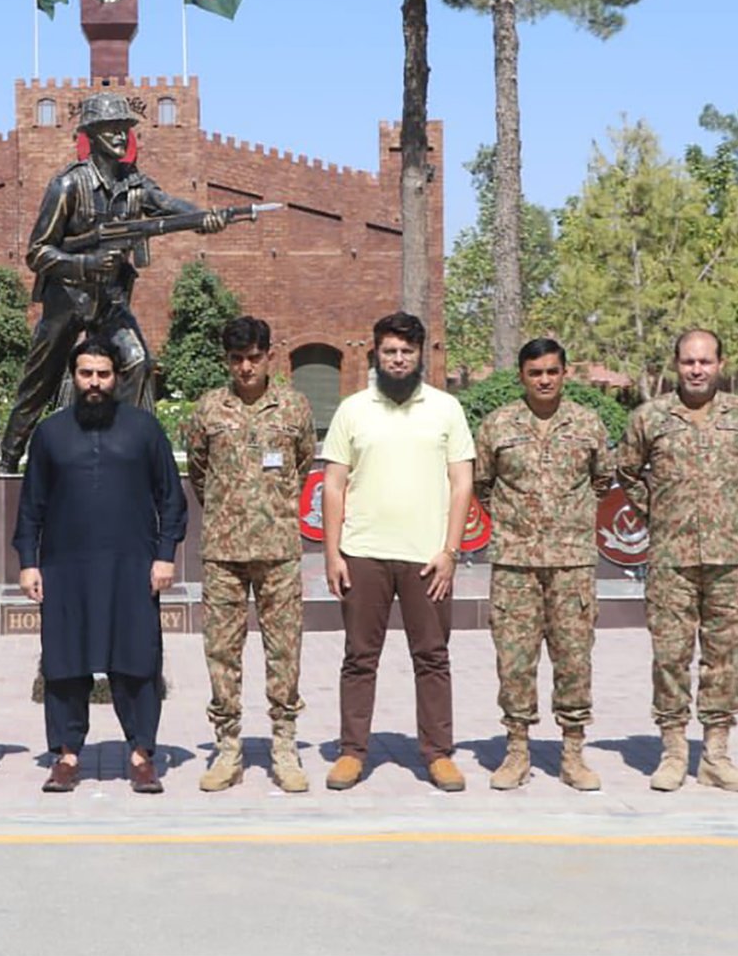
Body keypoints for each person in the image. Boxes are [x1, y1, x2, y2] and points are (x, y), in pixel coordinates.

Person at [0, 92, 227, 470]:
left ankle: (120, 450)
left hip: (111, 301)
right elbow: (37, 252)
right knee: (39, 381)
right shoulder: (67, 186)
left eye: (124, 129)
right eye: (112, 129)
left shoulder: (135, 183)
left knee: (136, 361)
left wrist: (205, 218)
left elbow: (170, 207)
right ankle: (7, 459)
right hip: (66, 300)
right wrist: (86, 264)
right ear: (92, 134)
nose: (121, 136)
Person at [13, 337, 188, 793]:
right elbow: (31, 505)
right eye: (86, 373)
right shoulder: (50, 433)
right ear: (73, 377)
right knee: (65, 662)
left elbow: (171, 498)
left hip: (132, 567)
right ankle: (67, 756)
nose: (94, 383)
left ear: (118, 377)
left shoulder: (144, 430)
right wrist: (28, 562)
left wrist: (165, 554)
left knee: (136, 660)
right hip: (65, 569)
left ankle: (141, 754)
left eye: (103, 374)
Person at [321, 312, 475, 792]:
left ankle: (437, 753)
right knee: (359, 657)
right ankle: (352, 752)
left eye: (407, 351)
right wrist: (332, 553)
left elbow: (461, 482)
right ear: (376, 354)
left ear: (420, 355)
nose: (399, 359)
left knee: (432, 656)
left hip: (427, 558)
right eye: (390, 351)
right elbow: (332, 484)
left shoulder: (446, 409)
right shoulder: (353, 410)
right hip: (363, 553)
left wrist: (450, 551)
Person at [616, 329, 738, 792]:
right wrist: (659, 512)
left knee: (723, 657)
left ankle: (716, 756)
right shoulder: (650, 418)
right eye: (688, 362)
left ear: (720, 364)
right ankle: (673, 752)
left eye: (705, 362)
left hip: (726, 557)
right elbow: (627, 471)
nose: (697, 370)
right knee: (670, 656)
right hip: (671, 559)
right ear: (676, 365)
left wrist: (732, 510)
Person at [473, 337, 613, 791]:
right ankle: (517, 750)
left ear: (565, 373)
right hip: (515, 563)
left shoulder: (588, 424)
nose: (545, 380)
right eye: (535, 373)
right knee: (514, 661)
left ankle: (573, 752)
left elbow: (602, 481)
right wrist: (520, 525)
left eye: (552, 371)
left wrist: (565, 522)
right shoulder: (497, 425)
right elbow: (483, 484)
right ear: (522, 376)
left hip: (572, 562)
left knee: (574, 660)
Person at [183, 316, 317, 793]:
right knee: (222, 652)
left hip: (279, 550)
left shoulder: (295, 408)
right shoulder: (208, 410)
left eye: (254, 358)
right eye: (237, 359)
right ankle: (228, 746)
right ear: (227, 360)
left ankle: (284, 744)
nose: (245, 368)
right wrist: (230, 510)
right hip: (223, 552)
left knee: (284, 651)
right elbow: (199, 470)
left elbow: (303, 464)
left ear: (269, 356)